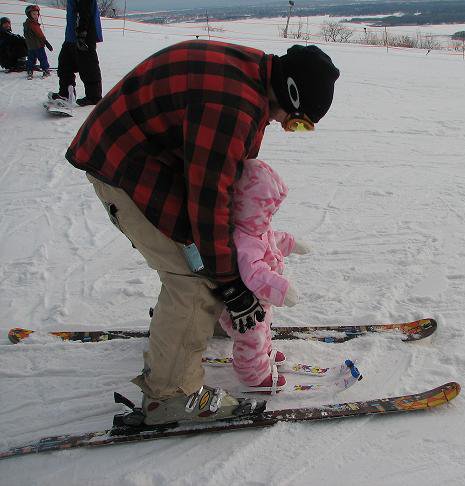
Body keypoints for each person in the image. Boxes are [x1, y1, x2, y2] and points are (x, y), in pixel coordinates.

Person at [65, 40, 339, 425]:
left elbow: (225, 184)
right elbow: (209, 204)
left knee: (211, 259)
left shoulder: (252, 78)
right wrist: (230, 282)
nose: (285, 126)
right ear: (290, 91)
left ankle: (208, 320)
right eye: (297, 121)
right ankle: (170, 395)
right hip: (124, 165)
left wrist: (229, 277)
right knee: (192, 277)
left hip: (149, 159)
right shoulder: (232, 106)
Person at [218, 158, 308, 394]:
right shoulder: (244, 239)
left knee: (264, 326)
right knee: (252, 336)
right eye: (266, 209)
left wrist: (292, 243)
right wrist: (281, 288)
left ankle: (264, 352)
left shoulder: (257, 228)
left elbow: (272, 238)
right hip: (242, 303)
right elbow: (254, 274)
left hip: (259, 302)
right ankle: (253, 377)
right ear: (247, 204)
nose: (269, 216)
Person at [50, 0, 103, 106]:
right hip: (71, 37)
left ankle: (94, 97)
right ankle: (66, 93)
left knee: (88, 67)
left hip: (83, 37)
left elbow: (85, 11)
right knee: (64, 65)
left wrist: (82, 33)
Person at [23, 5, 53, 79]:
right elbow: (40, 35)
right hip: (38, 46)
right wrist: (46, 42)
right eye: (34, 14)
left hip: (31, 47)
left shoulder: (26, 24)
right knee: (42, 58)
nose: (36, 16)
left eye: (37, 14)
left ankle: (30, 70)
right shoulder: (33, 24)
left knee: (31, 59)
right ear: (29, 14)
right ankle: (46, 70)